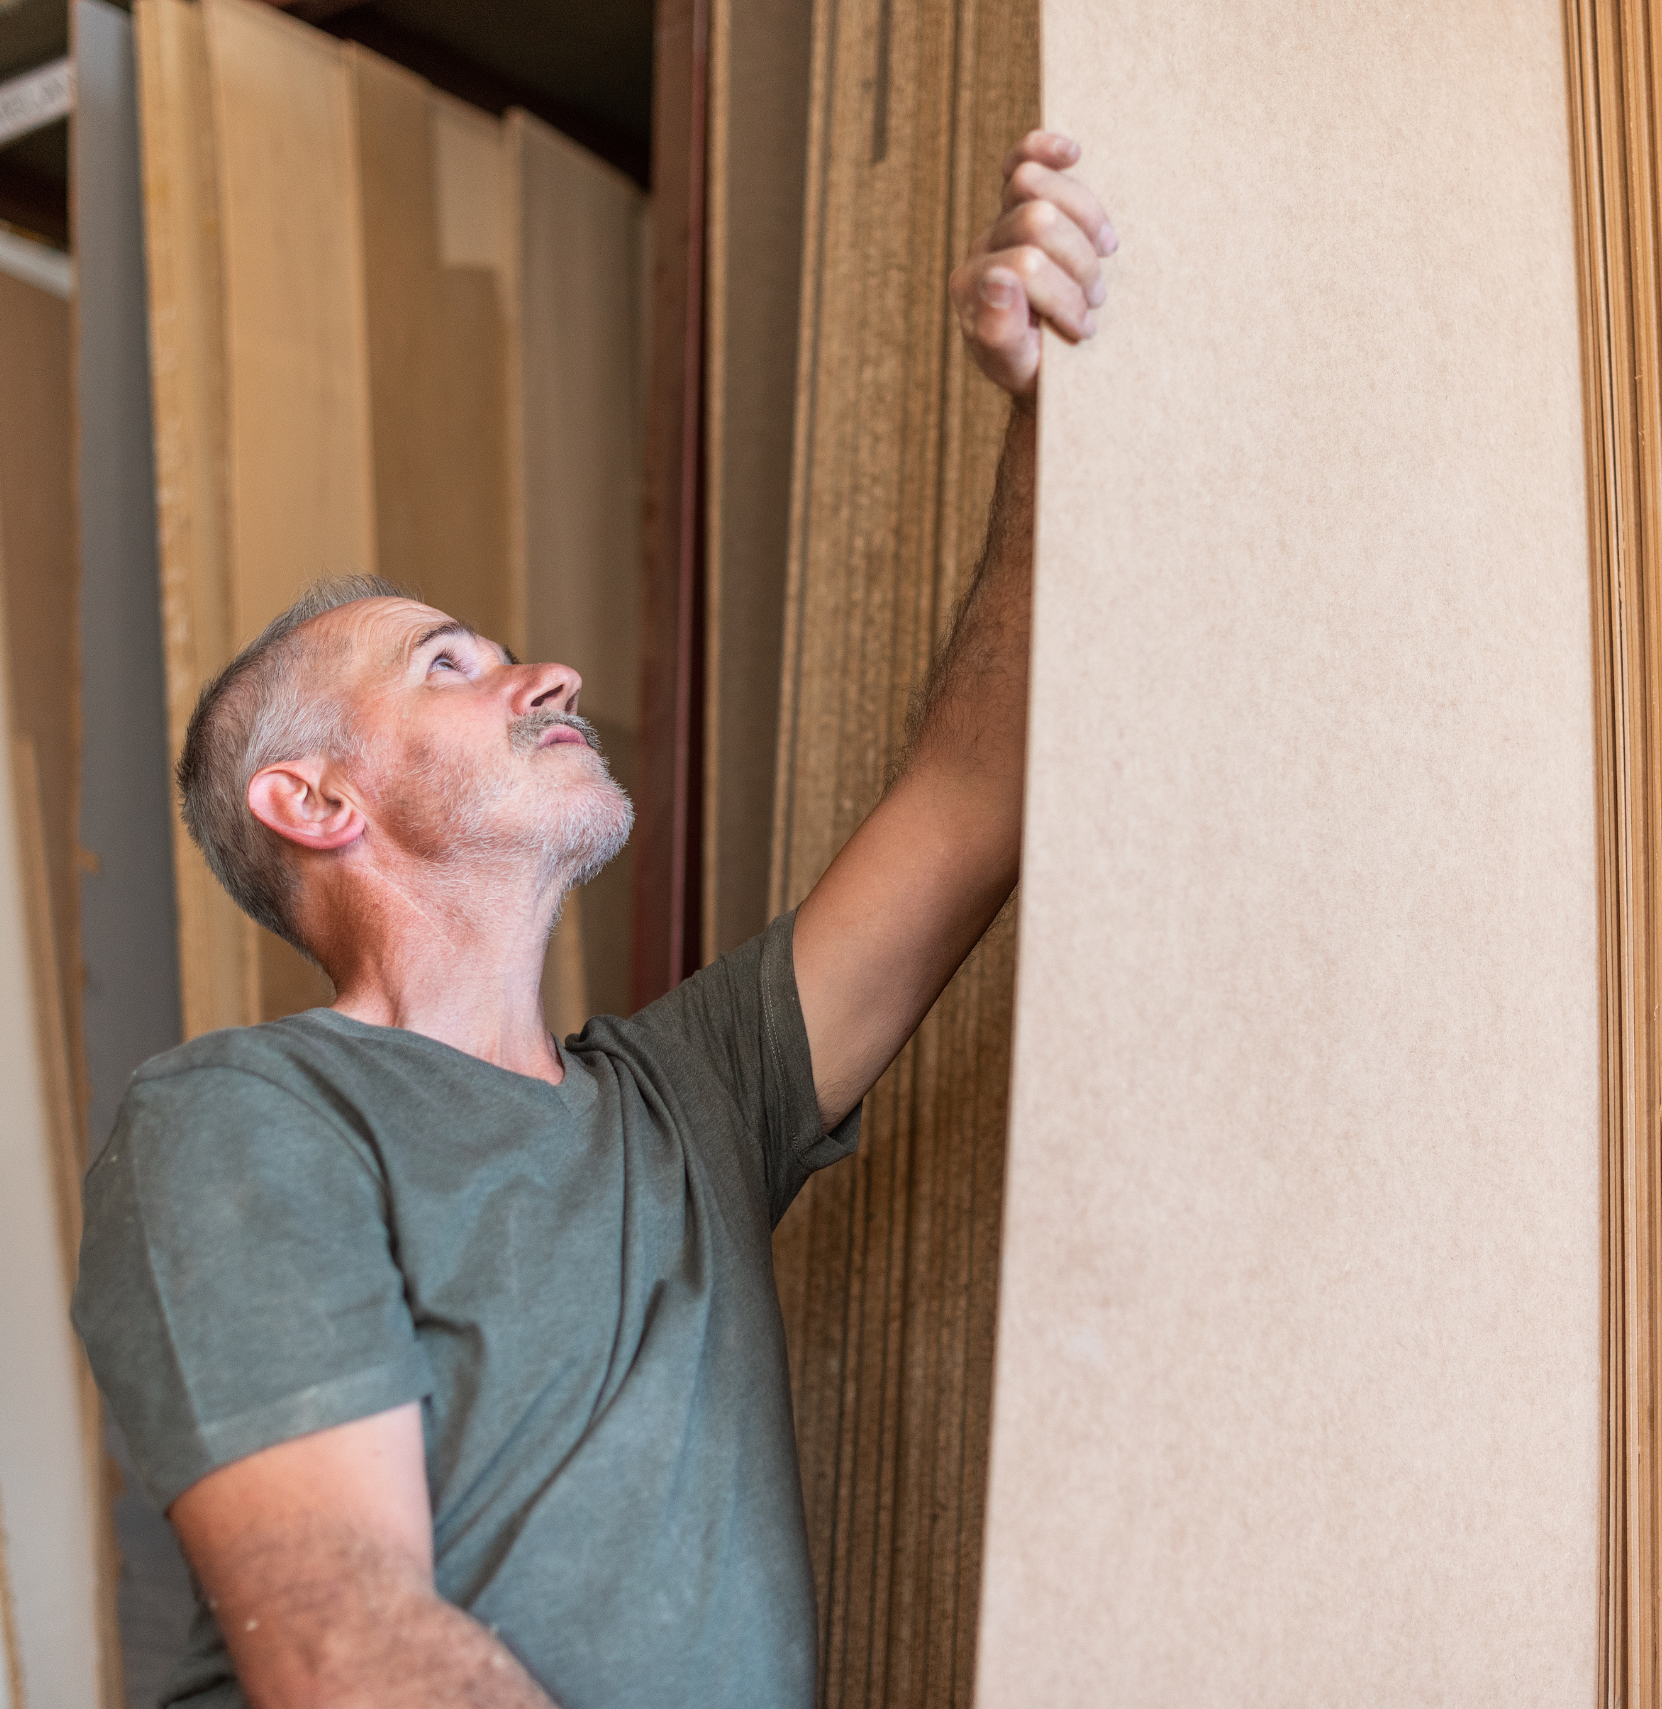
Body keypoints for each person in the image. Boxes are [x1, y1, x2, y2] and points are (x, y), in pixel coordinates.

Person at [73, 129, 1117, 1709]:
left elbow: (976, 792)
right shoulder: (241, 1122)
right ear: (315, 804)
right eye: (446, 666)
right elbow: (349, 1641)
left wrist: (1051, 416)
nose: (543, 674)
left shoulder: (692, 1097)